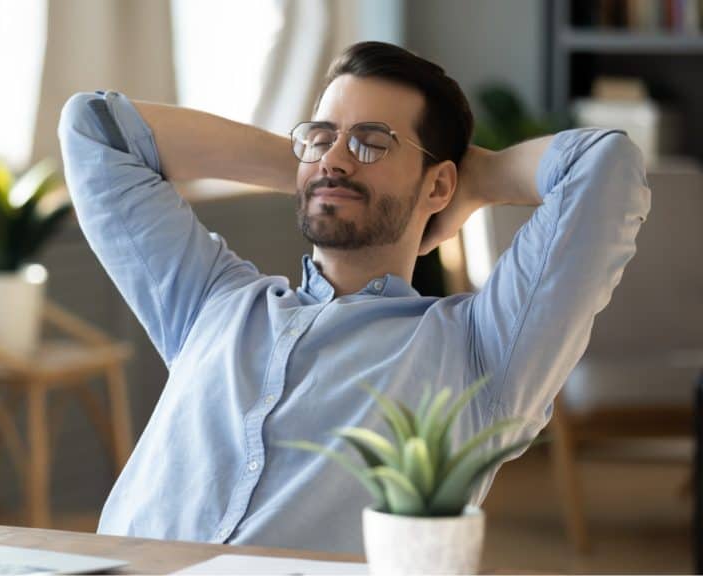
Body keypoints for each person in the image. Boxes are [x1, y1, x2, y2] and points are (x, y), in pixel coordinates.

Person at [57, 41, 650, 553]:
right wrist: (318, 170)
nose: (337, 157)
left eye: (372, 142)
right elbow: (94, 127)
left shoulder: (480, 352)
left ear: (440, 181)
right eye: (319, 136)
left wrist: (473, 182)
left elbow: (605, 165)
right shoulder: (211, 300)